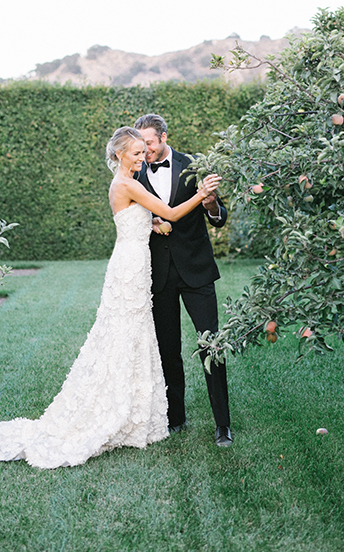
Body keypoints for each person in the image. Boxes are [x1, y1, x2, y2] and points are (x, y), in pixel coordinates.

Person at [0, 127, 221, 469]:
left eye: (143, 151)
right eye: (136, 153)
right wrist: (202, 194)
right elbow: (170, 213)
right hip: (131, 266)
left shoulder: (125, 184)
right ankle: (119, 410)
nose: (142, 158)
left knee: (132, 334)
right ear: (119, 155)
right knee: (124, 334)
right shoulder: (127, 183)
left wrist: (149, 224)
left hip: (134, 263)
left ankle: (137, 410)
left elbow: (140, 218)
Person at [134, 114, 232, 447]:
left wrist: (212, 203)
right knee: (167, 350)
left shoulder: (193, 165)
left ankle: (223, 424)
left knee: (211, 344)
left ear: (163, 137)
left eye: (148, 142)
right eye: (140, 143)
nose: (144, 148)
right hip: (158, 274)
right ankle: (175, 417)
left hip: (196, 270)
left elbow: (218, 217)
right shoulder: (132, 172)